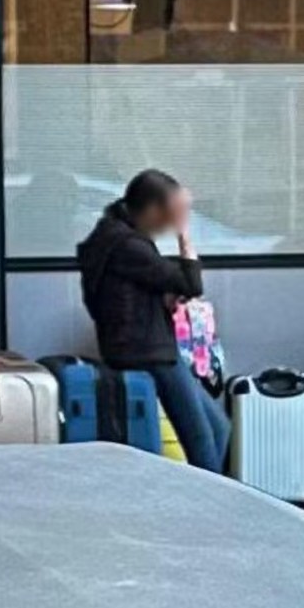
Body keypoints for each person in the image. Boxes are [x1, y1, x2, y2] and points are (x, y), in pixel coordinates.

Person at [78, 170, 230, 473]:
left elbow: (134, 286)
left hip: (144, 346)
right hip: (148, 352)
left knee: (219, 427)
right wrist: (184, 233)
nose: (169, 224)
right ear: (151, 210)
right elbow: (191, 283)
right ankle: (210, 508)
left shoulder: (113, 236)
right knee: (201, 436)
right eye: (169, 215)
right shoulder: (125, 245)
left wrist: (162, 297)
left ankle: (205, 498)